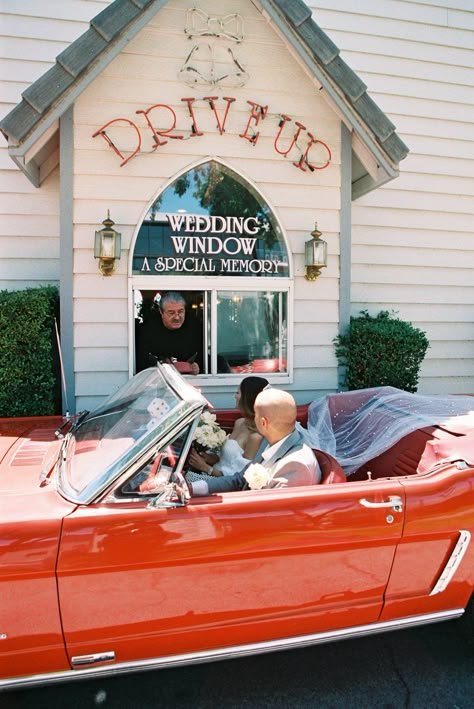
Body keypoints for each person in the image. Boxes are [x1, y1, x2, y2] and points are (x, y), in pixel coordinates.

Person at [190, 388, 321, 496]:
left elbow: (275, 514)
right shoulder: (270, 444)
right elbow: (239, 480)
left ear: (263, 422)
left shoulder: (296, 465)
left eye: (256, 414)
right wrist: (190, 489)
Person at [186, 376, 269, 482]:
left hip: (221, 482)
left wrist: (206, 468)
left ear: (247, 398)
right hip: (213, 471)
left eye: (238, 393)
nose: (235, 396)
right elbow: (229, 460)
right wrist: (210, 458)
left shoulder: (255, 437)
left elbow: (241, 478)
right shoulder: (239, 422)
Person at [138, 291, 203, 375]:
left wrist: (198, 365)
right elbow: (141, 361)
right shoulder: (148, 329)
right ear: (161, 312)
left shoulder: (194, 326)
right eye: (171, 313)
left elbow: (203, 353)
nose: (177, 317)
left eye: (180, 312)